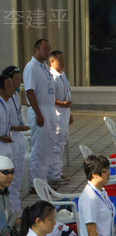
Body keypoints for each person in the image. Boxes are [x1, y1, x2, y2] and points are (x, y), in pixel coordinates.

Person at [24, 39, 56, 184]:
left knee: (49, 146)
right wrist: (38, 114)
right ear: (37, 49)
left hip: (49, 109)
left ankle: (45, 179)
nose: (48, 51)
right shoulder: (31, 67)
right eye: (45, 49)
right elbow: (30, 92)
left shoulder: (44, 66)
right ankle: (35, 182)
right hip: (40, 109)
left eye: (49, 49)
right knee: (39, 148)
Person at [2, 66, 29, 212]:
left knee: (17, 175)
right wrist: (17, 128)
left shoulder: (15, 96)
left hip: (17, 139)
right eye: (16, 79)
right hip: (9, 140)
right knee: (8, 178)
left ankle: (16, 208)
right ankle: (11, 210)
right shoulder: (3, 101)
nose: (18, 83)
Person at [49, 50, 73, 185]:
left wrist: (69, 112)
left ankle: (58, 172)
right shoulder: (52, 77)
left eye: (63, 60)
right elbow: (50, 98)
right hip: (57, 113)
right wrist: (62, 104)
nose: (63, 63)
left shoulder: (62, 75)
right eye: (60, 61)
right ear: (52, 62)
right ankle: (53, 176)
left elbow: (67, 94)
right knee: (56, 145)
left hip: (65, 113)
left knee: (62, 143)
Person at [0, 75, 14, 164]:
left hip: (6, 144)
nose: (12, 89)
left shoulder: (7, 104)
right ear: (1, 89)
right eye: (9, 86)